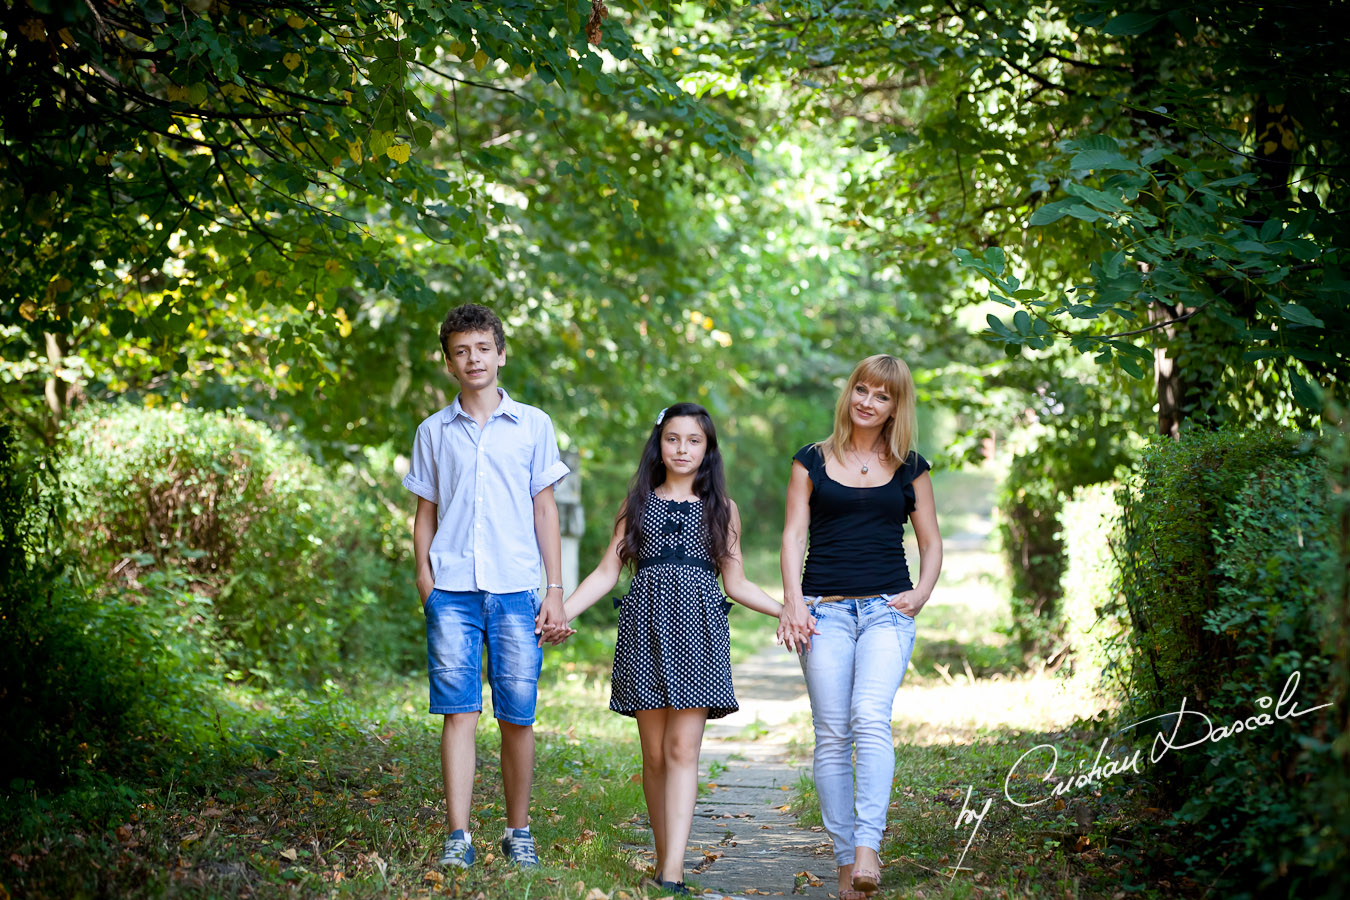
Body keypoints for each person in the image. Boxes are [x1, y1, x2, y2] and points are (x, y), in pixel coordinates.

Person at [549, 403, 786, 895]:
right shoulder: (635, 502)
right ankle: (663, 859)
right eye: (673, 439)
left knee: (683, 749)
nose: (682, 449)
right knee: (654, 755)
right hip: (645, 630)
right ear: (659, 445)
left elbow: (736, 581)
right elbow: (605, 573)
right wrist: (561, 612)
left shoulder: (723, 509)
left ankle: (673, 871)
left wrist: (786, 609)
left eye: (694, 441)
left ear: (708, 449)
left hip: (698, 633)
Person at [402, 304, 571, 870]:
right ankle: (459, 835)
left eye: (482, 348)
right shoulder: (432, 431)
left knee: (518, 713)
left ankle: (517, 830)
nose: (472, 359)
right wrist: (424, 577)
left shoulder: (534, 425)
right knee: (459, 711)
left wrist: (554, 588)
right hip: (450, 588)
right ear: (448, 362)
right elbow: (425, 511)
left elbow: (543, 510)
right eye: (460, 351)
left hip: (517, 586)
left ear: (501, 353)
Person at [776, 355, 943, 899]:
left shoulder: (911, 466)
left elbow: (931, 542)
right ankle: (848, 865)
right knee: (831, 734)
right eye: (862, 391)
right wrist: (793, 602)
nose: (869, 402)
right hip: (823, 612)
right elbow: (793, 536)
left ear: (897, 406)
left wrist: (919, 594)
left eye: (883, 396)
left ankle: (868, 844)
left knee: (870, 716)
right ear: (850, 394)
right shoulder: (811, 460)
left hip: (885, 613)